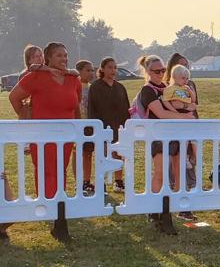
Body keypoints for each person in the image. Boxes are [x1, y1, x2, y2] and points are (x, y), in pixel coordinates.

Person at [8, 43, 82, 242]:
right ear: (48, 58)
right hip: (42, 135)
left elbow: (76, 107)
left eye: (66, 55)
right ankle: (56, 217)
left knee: (61, 171)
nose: (64, 59)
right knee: (47, 171)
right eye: (59, 55)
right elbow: (14, 97)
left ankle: (57, 213)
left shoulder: (73, 79)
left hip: (66, 136)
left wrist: (79, 130)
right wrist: (25, 116)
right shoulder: (35, 77)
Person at [138, 55, 195, 234]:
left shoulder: (168, 87)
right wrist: (185, 117)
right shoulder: (147, 90)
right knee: (161, 173)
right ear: (148, 71)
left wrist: (187, 108)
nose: (161, 74)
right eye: (157, 71)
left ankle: (174, 208)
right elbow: (161, 113)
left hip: (177, 135)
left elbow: (186, 103)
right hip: (159, 136)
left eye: (163, 70)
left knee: (179, 173)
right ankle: (155, 210)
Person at [163, 53, 199, 221]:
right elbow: (171, 105)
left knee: (185, 168)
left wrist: (187, 105)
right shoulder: (168, 88)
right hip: (172, 131)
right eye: (181, 67)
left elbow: (194, 104)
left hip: (188, 127)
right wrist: (183, 109)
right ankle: (168, 206)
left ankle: (183, 206)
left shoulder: (188, 86)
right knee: (170, 169)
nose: (185, 75)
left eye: (187, 68)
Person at [88, 57, 129, 192]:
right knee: (103, 156)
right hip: (102, 127)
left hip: (118, 127)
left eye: (115, 67)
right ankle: (102, 184)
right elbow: (92, 109)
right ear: (103, 69)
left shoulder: (120, 87)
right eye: (110, 67)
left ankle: (118, 182)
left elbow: (126, 108)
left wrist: (126, 127)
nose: (113, 70)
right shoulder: (95, 86)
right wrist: (95, 127)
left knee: (118, 155)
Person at [75, 60, 96, 193]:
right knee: (77, 153)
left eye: (92, 70)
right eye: (87, 70)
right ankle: (78, 181)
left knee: (88, 154)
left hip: (90, 125)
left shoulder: (92, 87)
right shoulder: (74, 86)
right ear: (79, 71)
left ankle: (86, 181)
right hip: (77, 124)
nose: (91, 73)